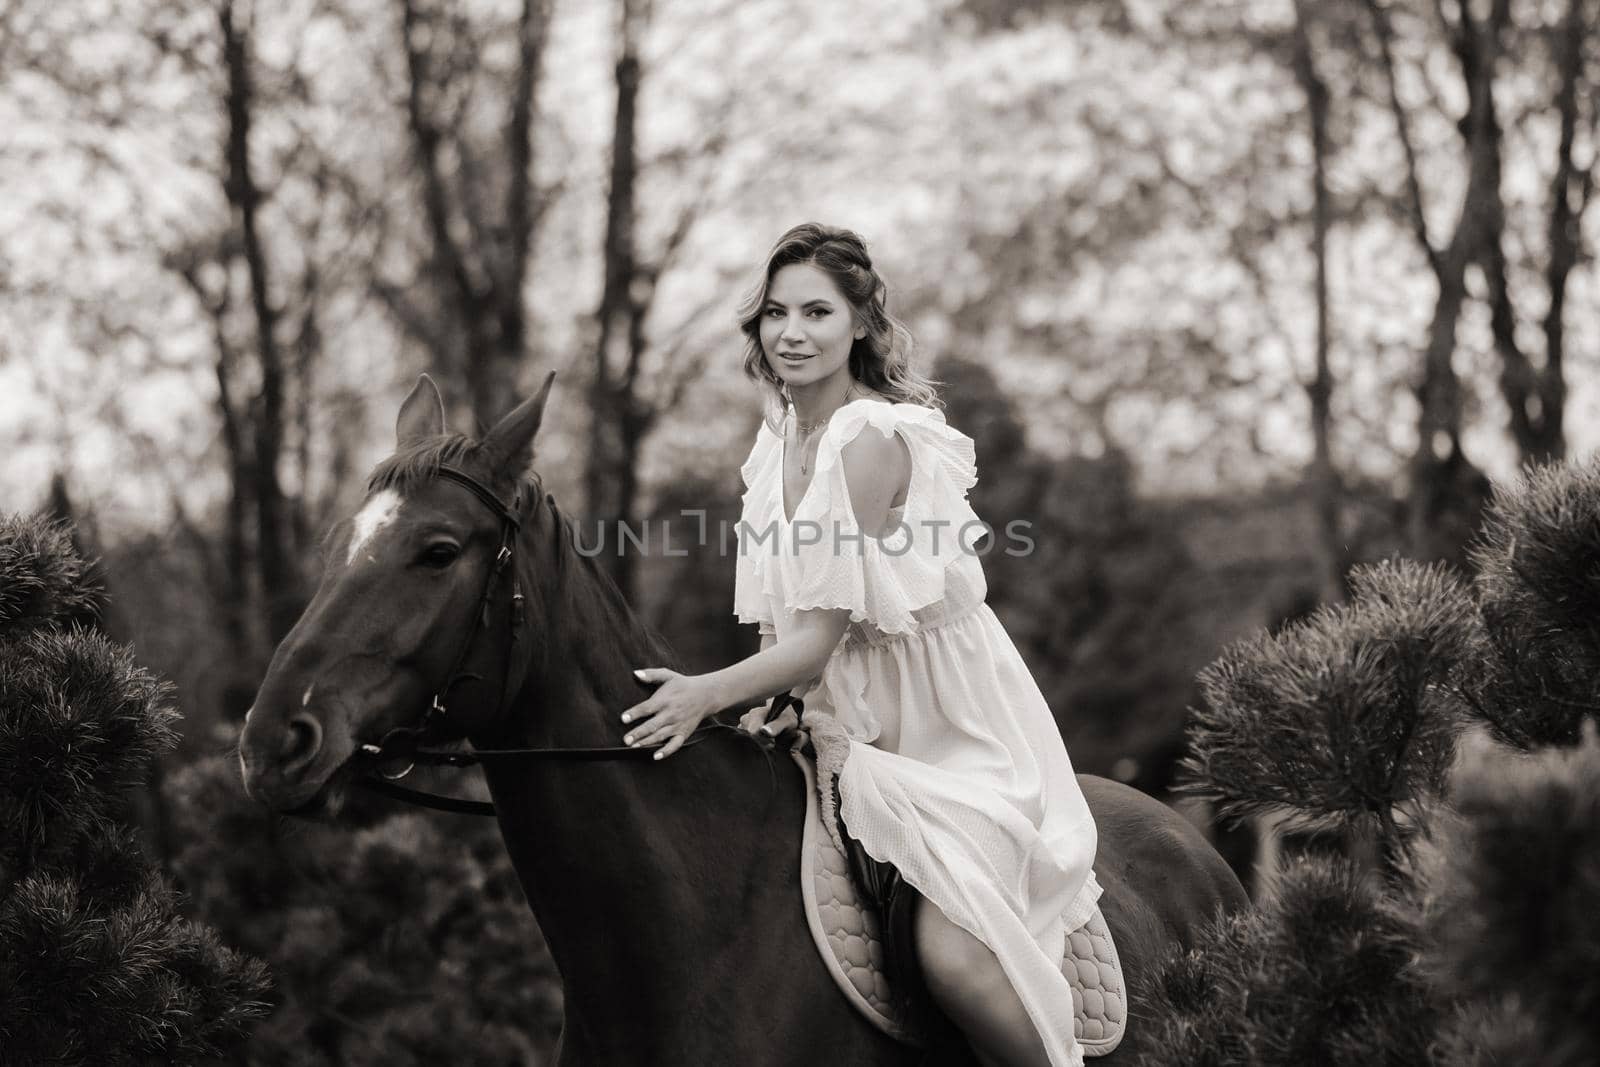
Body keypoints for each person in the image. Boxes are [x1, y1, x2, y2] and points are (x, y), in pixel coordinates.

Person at [620, 222, 1101, 1067]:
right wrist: (771, 711)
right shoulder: (775, 447)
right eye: (776, 313)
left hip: (951, 730)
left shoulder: (868, 438)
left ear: (862, 326)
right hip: (846, 721)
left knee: (952, 955)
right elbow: (777, 623)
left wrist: (702, 693)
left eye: (817, 311)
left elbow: (814, 639)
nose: (792, 332)